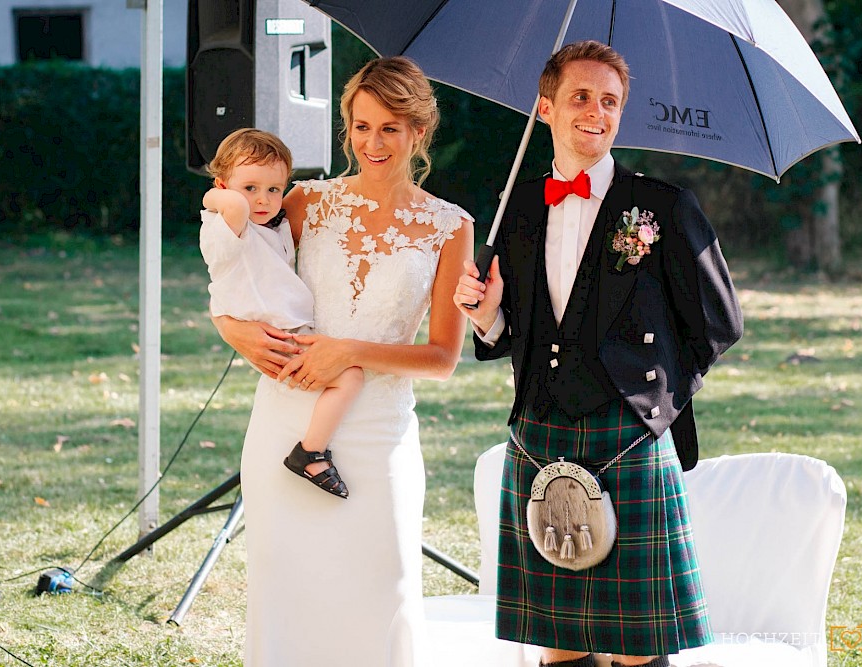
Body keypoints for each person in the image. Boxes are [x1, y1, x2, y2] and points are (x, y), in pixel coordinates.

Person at [454, 41, 743, 667]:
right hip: (539, 429)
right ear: (546, 106)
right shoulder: (520, 206)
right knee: (558, 641)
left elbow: (718, 323)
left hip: (631, 433)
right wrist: (484, 316)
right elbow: (509, 332)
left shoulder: (663, 206)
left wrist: (655, 402)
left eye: (609, 101)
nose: (596, 111)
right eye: (580, 96)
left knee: (638, 644)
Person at [212, 57, 474, 666]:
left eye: (390, 127)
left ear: (418, 131)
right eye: (360, 126)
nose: (373, 142)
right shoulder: (304, 202)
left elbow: (442, 357)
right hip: (286, 419)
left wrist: (348, 352)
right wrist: (230, 330)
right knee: (287, 593)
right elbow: (235, 268)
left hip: (377, 432)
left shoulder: (448, 227)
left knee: (382, 590)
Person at [200, 127, 360, 500]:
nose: (263, 199)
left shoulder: (268, 226)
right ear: (224, 187)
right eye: (250, 187)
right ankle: (311, 452)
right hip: (278, 338)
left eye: (274, 189)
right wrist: (214, 196)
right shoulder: (224, 225)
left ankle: (312, 448)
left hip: (287, 330)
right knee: (349, 376)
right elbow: (234, 207)